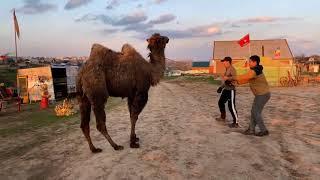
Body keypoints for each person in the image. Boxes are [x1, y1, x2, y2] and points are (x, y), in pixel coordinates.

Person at [225, 55, 270, 136]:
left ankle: (264, 130)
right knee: (254, 112)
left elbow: (244, 76)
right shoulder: (255, 70)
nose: (248, 63)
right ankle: (251, 130)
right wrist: (236, 83)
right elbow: (247, 79)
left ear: (255, 62)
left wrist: (230, 78)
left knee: (255, 112)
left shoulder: (255, 70)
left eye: (250, 61)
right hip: (261, 94)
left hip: (262, 94)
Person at [216, 56, 239, 128]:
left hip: (231, 90)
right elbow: (225, 80)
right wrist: (221, 87)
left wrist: (228, 78)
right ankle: (223, 117)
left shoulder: (232, 69)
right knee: (220, 102)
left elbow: (235, 77)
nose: (223, 63)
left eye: (224, 62)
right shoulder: (227, 69)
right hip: (226, 89)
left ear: (228, 62)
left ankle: (236, 123)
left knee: (231, 106)